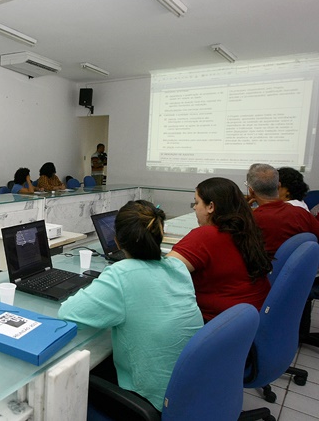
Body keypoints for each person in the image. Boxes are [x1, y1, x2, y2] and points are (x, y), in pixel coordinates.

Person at [59, 200, 203, 419]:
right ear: (160, 236)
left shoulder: (122, 275)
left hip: (150, 401)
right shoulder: (178, 267)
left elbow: (68, 314)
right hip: (185, 388)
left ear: (117, 241)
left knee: (77, 378)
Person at [167, 177, 271, 322]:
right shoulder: (246, 230)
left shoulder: (205, 235)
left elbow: (162, 274)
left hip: (218, 324)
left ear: (211, 207)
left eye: (197, 202)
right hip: (250, 320)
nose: (195, 208)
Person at [247, 163, 319, 257]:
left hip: (262, 265)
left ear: (251, 191)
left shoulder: (251, 219)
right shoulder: (302, 213)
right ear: (278, 186)